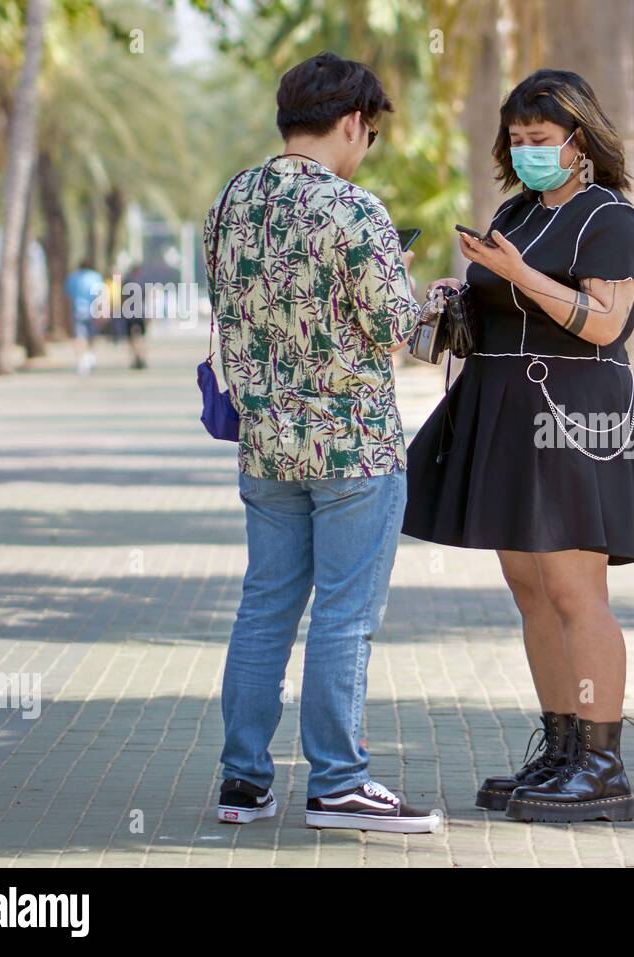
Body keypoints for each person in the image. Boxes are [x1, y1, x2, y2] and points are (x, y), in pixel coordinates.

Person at [404, 69, 634, 824]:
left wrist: (518, 274)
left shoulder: (610, 218)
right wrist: (458, 294)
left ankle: (602, 765)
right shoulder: (516, 210)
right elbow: (500, 299)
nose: (525, 151)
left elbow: (603, 323)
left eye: (539, 139)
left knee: (573, 591)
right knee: (531, 590)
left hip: (573, 419)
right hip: (502, 408)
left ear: (580, 141)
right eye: (517, 140)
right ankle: (561, 749)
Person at [206, 51, 432, 833]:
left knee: (265, 606)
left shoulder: (232, 201)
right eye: (367, 132)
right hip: (354, 450)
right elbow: (395, 328)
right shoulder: (356, 210)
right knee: (344, 616)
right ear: (350, 124)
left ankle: (243, 780)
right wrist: (412, 284)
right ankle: (338, 780)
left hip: (266, 445)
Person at [64, 262, 104, 375]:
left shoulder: (72, 278)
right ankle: (90, 355)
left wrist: (67, 315)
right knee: (92, 335)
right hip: (93, 311)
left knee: (79, 336)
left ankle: (82, 360)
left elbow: (67, 298)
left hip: (77, 310)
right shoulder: (96, 277)